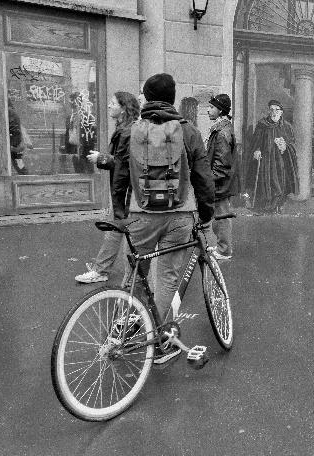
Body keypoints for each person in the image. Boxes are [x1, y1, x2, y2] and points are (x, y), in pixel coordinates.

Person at [111, 73, 215, 364]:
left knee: (136, 272)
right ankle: (159, 344)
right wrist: (206, 216)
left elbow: (119, 176)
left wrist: (121, 214)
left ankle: (122, 328)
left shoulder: (130, 131)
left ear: (145, 98)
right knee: (168, 277)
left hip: (140, 214)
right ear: (172, 98)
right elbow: (204, 179)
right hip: (179, 215)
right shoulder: (189, 131)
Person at [74, 91, 140, 283]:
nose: (109, 106)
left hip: (127, 193)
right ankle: (103, 269)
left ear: (123, 108)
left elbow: (125, 164)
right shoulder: (125, 128)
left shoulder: (129, 131)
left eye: (113, 103)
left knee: (124, 231)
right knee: (117, 229)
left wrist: (102, 158)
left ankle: (125, 278)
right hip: (124, 191)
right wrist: (104, 157)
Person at [243, 100, 299, 213]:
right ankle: (267, 204)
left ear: (281, 112)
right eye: (271, 109)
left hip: (280, 160)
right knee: (267, 182)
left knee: (279, 182)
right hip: (266, 160)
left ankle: (278, 203)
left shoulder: (286, 126)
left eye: (277, 109)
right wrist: (257, 150)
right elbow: (255, 141)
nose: (274, 112)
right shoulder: (262, 125)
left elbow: (292, 144)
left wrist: (285, 146)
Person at [205, 93, 236, 260]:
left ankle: (224, 250)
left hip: (220, 183)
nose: (208, 110)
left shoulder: (222, 132)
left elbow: (222, 165)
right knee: (219, 216)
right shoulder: (221, 128)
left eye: (211, 107)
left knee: (222, 217)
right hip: (220, 182)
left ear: (220, 110)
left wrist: (207, 179)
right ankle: (222, 246)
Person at [8, 99, 32, 175]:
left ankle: (25, 176)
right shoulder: (12, 112)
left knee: (18, 162)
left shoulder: (9, 112)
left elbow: (14, 129)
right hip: (16, 143)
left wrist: (12, 146)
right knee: (18, 161)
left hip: (14, 144)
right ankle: (25, 175)